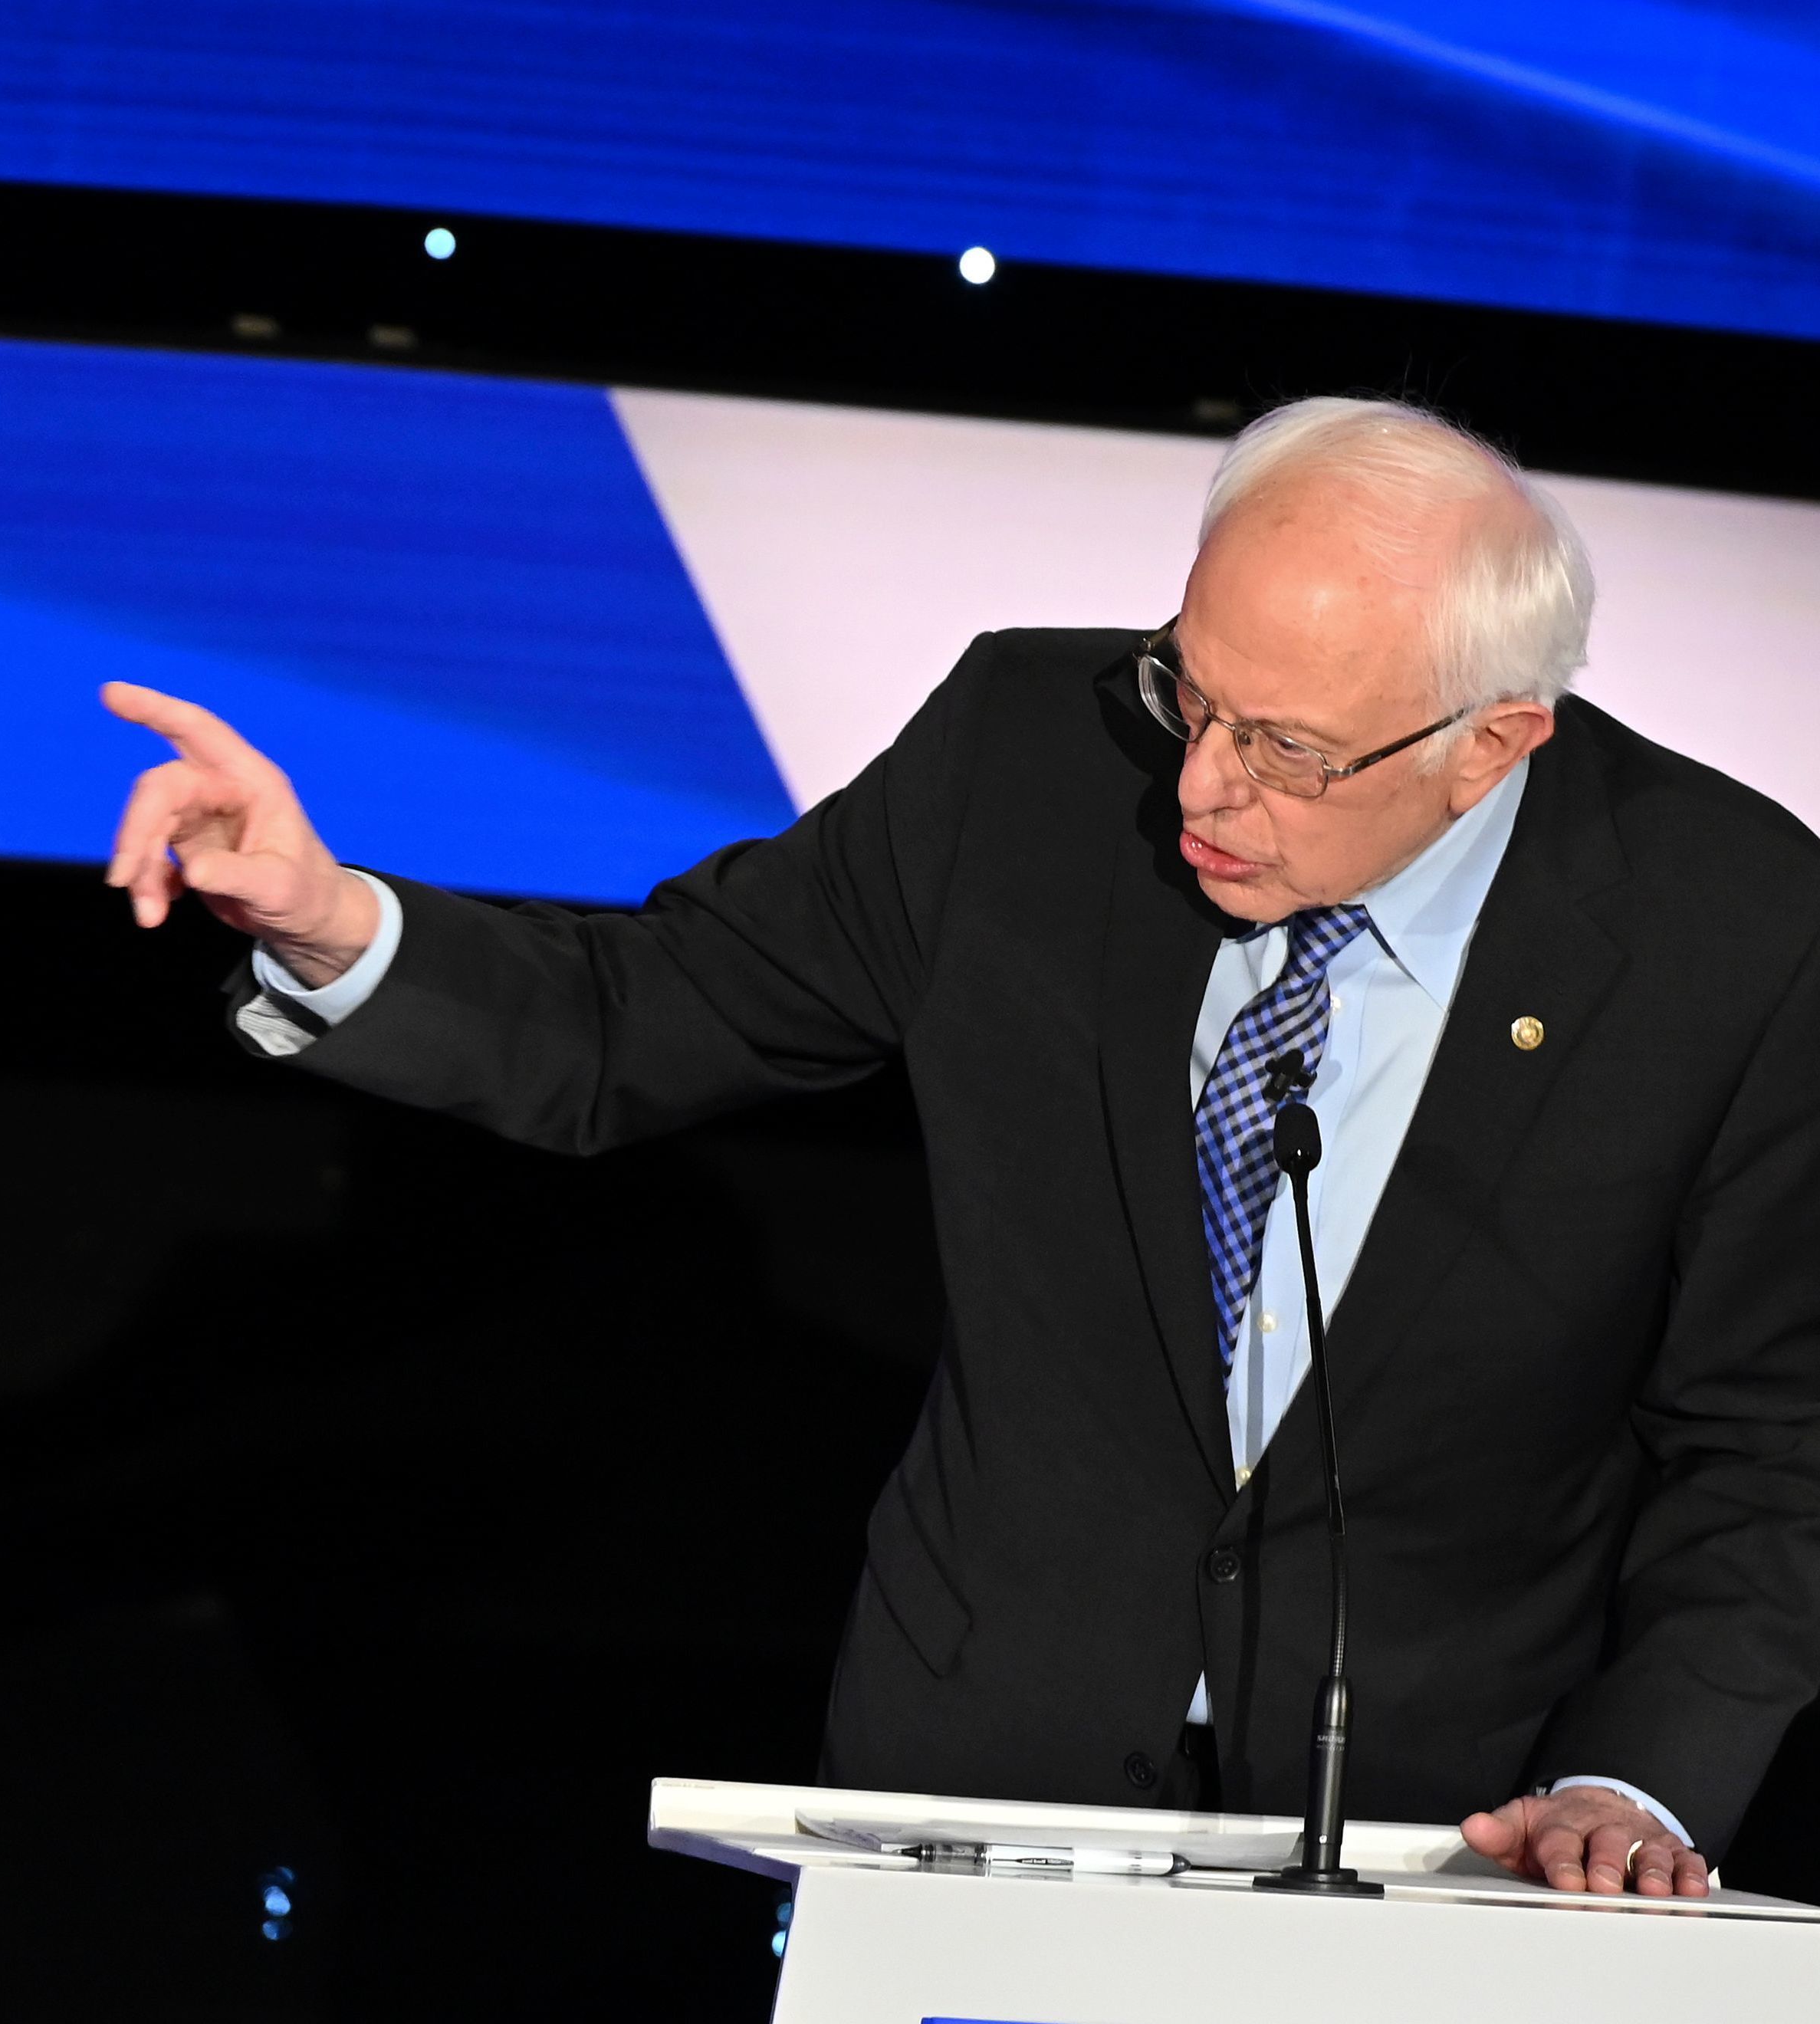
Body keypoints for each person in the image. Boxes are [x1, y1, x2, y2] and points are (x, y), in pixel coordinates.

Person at [101, 396, 1820, 1901]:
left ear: (1490, 743)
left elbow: (1772, 1447)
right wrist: (328, 920)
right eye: (1190, 691)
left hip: (1453, 1833)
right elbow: (641, 1013)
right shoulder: (1025, 754)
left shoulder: (1733, 933)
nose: (1200, 787)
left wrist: (1637, 1780)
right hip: (984, 1781)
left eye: (1286, 751)